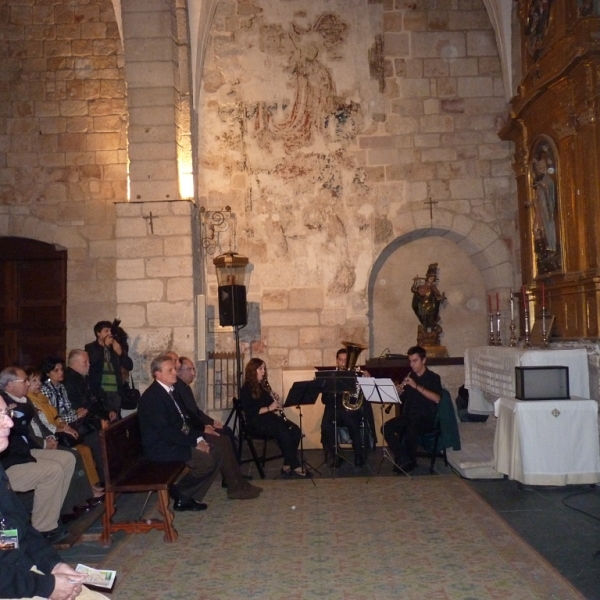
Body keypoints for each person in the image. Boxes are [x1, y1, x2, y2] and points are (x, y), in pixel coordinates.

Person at [0, 394, 109, 600]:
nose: (9, 422)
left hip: (16, 571)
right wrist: (47, 586)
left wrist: (53, 564)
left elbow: (15, 530)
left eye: (6, 413)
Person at [166, 352, 260, 498]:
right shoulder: (175, 389)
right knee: (223, 440)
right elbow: (186, 418)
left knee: (226, 433)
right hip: (188, 434)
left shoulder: (182, 388)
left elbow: (194, 412)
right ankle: (233, 483)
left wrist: (210, 422)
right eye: (189, 369)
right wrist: (204, 428)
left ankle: (235, 479)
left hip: (193, 429)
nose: (193, 373)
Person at [138, 354, 222, 512]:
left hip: (174, 440)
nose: (175, 372)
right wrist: (195, 443)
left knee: (217, 451)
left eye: (174, 369)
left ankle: (185, 495)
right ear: (158, 374)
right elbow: (167, 432)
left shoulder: (171, 391)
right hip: (161, 448)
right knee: (206, 462)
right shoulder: (153, 398)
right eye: (170, 370)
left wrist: (198, 439)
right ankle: (181, 493)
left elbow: (184, 420)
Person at [0, 367, 75, 544]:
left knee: (67, 459)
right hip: (10, 463)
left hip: (21, 453)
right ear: (9, 385)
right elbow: (18, 431)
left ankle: (51, 515)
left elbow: (26, 429)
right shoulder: (5, 401)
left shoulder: (22, 401)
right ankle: (43, 529)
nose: (28, 384)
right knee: (52, 470)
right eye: (24, 381)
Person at [40, 357, 105, 485]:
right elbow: (55, 415)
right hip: (58, 428)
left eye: (61, 369)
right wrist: (76, 416)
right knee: (93, 440)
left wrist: (77, 413)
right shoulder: (45, 390)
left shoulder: (61, 387)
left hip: (70, 423)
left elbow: (68, 408)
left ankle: (99, 480)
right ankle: (98, 482)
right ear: (48, 373)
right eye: (56, 370)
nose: (61, 373)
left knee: (97, 434)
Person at [240, 358, 307, 478]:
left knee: (295, 430)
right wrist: (270, 407)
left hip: (268, 418)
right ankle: (295, 464)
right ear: (252, 371)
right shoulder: (246, 389)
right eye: (260, 369)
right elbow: (250, 412)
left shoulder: (263, 385)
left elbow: (270, 404)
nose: (263, 372)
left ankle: (287, 463)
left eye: (264, 369)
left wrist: (275, 399)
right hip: (255, 423)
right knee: (284, 432)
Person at [382, 346, 442, 474]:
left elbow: (437, 398)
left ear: (424, 360)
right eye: (410, 361)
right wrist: (398, 392)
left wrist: (416, 386)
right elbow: (402, 399)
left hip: (426, 418)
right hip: (409, 416)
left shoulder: (433, 377)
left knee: (411, 428)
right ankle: (404, 458)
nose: (412, 365)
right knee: (386, 428)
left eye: (415, 361)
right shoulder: (410, 376)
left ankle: (405, 460)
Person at [320, 348, 371, 468]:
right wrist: (336, 390)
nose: (343, 363)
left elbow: (366, 394)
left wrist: (366, 379)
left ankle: (358, 455)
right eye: (340, 360)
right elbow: (324, 400)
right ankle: (337, 456)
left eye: (345, 360)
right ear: (337, 361)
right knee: (325, 425)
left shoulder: (357, 374)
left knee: (350, 420)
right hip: (334, 411)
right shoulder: (330, 376)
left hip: (352, 411)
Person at [85, 320, 133, 414]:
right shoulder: (91, 347)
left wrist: (121, 354)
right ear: (98, 333)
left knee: (116, 421)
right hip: (99, 390)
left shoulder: (115, 347)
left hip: (115, 390)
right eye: (106, 331)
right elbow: (92, 362)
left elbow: (129, 366)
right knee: (102, 419)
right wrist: (104, 347)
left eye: (110, 331)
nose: (110, 333)